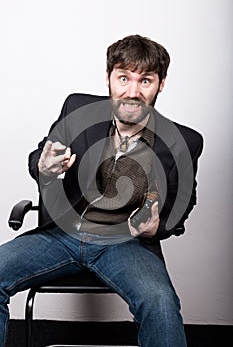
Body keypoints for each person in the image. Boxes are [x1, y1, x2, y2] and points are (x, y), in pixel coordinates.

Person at [0, 34, 203, 346]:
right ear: (108, 78)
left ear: (160, 84)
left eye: (145, 80)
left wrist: (155, 228)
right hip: (61, 235)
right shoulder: (76, 108)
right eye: (123, 78)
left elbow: (182, 206)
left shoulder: (184, 143)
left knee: (160, 304)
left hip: (126, 244)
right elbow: (40, 157)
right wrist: (43, 168)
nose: (132, 92)